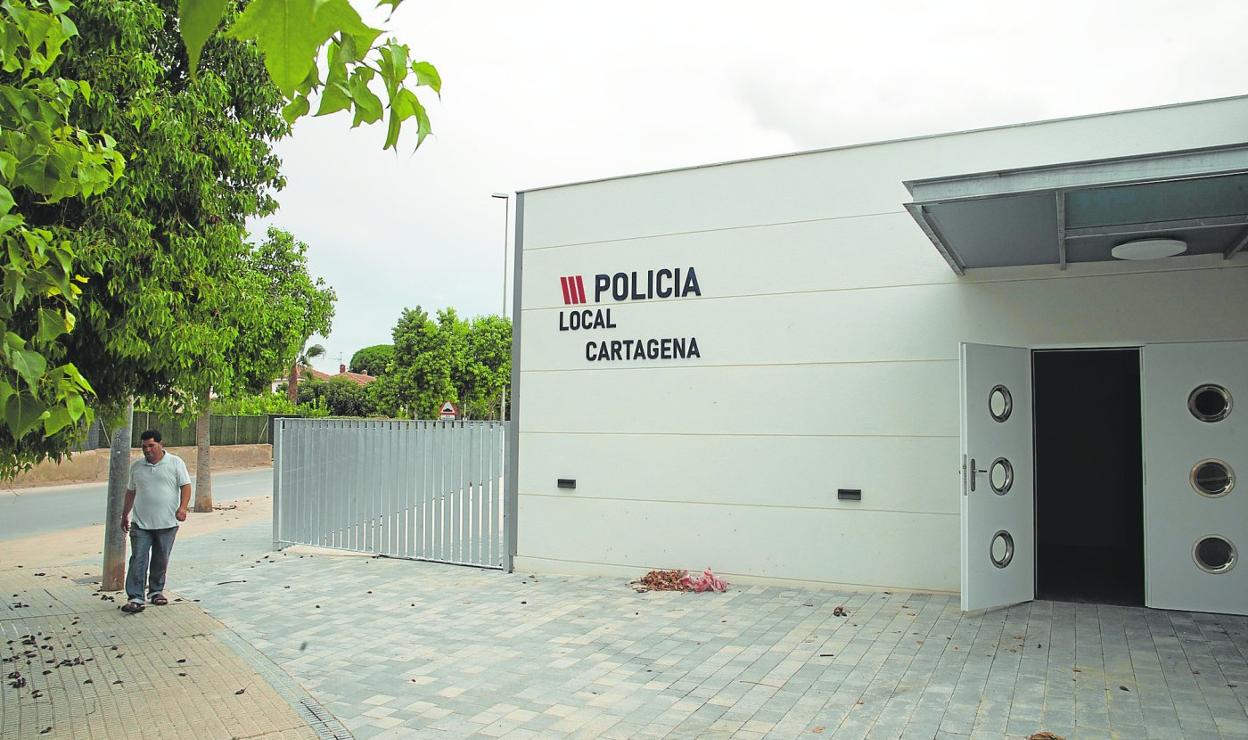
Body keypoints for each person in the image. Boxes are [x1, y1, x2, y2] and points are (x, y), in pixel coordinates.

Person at [119, 429, 192, 614]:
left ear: (161, 444)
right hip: (141, 524)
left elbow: (186, 486)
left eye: (151, 445)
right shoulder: (136, 467)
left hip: (167, 524)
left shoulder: (175, 463)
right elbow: (130, 492)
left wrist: (182, 508)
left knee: (160, 559)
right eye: (144, 446)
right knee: (138, 559)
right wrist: (124, 515)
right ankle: (135, 597)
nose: (147, 450)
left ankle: (156, 592)